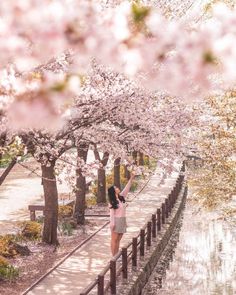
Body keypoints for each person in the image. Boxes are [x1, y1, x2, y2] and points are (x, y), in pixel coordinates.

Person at [108, 172, 136, 256]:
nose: (117, 188)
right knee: (114, 239)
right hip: (116, 221)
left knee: (119, 239)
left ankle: (116, 255)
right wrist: (112, 224)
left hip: (122, 220)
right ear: (113, 191)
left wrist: (131, 178)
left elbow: (127, 188)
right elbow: (112, 214)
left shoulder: (121, 197)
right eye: (115, 188)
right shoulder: (112, 202)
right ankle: (113, 256)